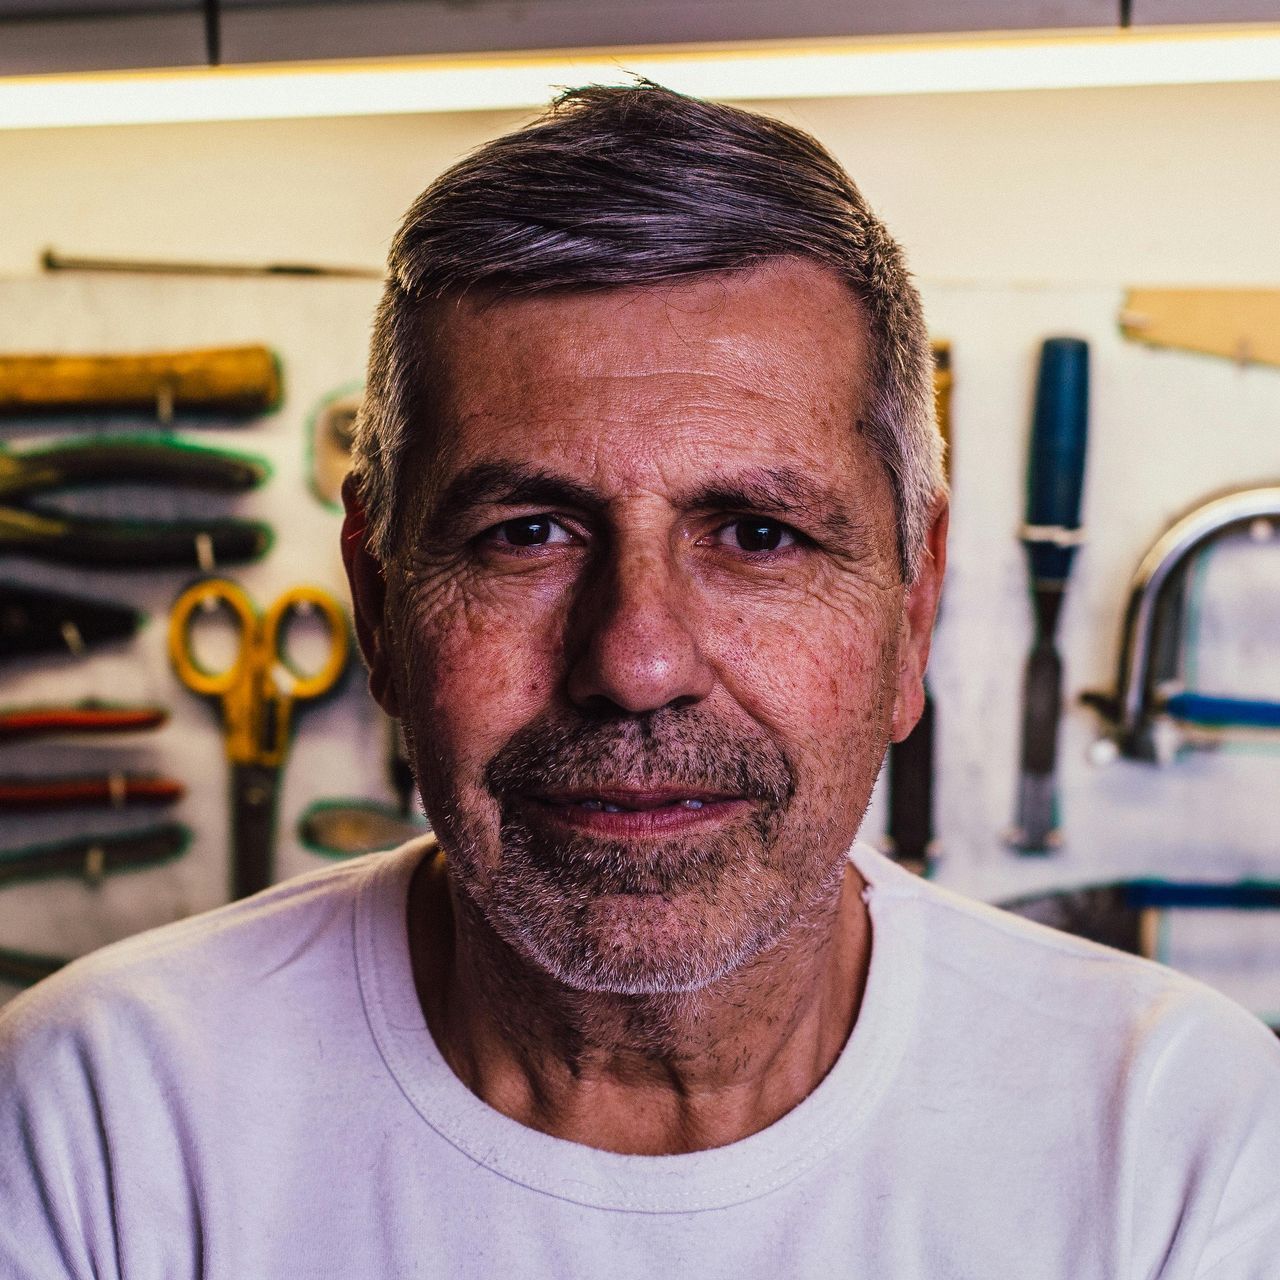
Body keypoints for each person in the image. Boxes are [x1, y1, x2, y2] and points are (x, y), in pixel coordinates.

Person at [2, 82, 1278, 1279]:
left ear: (913, 605)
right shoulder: (101, 1121)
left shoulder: (1173, 1141)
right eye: (527, 533)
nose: (636, 661)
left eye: (758, 534)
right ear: (380, 602)